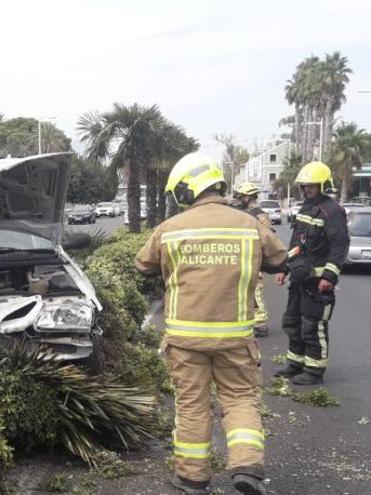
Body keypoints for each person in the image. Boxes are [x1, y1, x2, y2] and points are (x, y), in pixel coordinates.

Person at [135, 153, 287, 495]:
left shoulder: (170, 229)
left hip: (185, 338)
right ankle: (247, 467)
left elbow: (142, 266)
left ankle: (192, 477)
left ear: (186, 191)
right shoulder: (249, 225)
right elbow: (279, 261)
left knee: (191, 405)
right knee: (240, 399)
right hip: (235, 336)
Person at [274, 161, 349, 386]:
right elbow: (297, 243)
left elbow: (339, 247)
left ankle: (314, 371)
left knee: (312, 325)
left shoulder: (333, 211)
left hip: (317, 283)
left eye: (311, 186)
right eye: (304, 186)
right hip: (299, 278)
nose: (306, 190)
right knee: (292, 321)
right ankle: (295, 364)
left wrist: (329, 277)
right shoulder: (305, 208)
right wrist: (284, 268)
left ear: (324, 186)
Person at [231, 182, 272, 338]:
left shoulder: (260, 216)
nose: (239, 199)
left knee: (256, 292)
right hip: (241, 258)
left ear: (249, 196)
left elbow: (267, 238)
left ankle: (260, 324)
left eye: (241, 196)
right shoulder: (241, 212)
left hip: (254, 259)